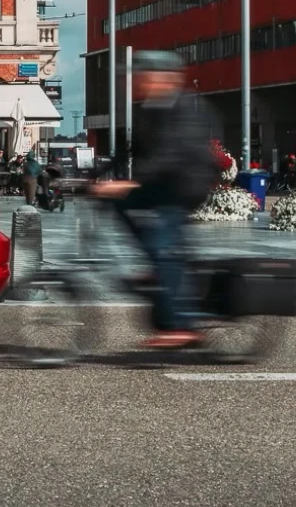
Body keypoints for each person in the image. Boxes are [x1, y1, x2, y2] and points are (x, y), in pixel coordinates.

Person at [91, 50, 221, 349]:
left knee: (162, 243)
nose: (134, 81)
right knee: (121, 205)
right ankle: (156, 266)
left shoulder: (187, 107)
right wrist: (99, 176)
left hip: (186, 184)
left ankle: (182, 326)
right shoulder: (148, 107)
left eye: (140, 76)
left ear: (163, 78)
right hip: (161, 181)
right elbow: (131, 149)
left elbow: (170, 155)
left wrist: (131, 182)